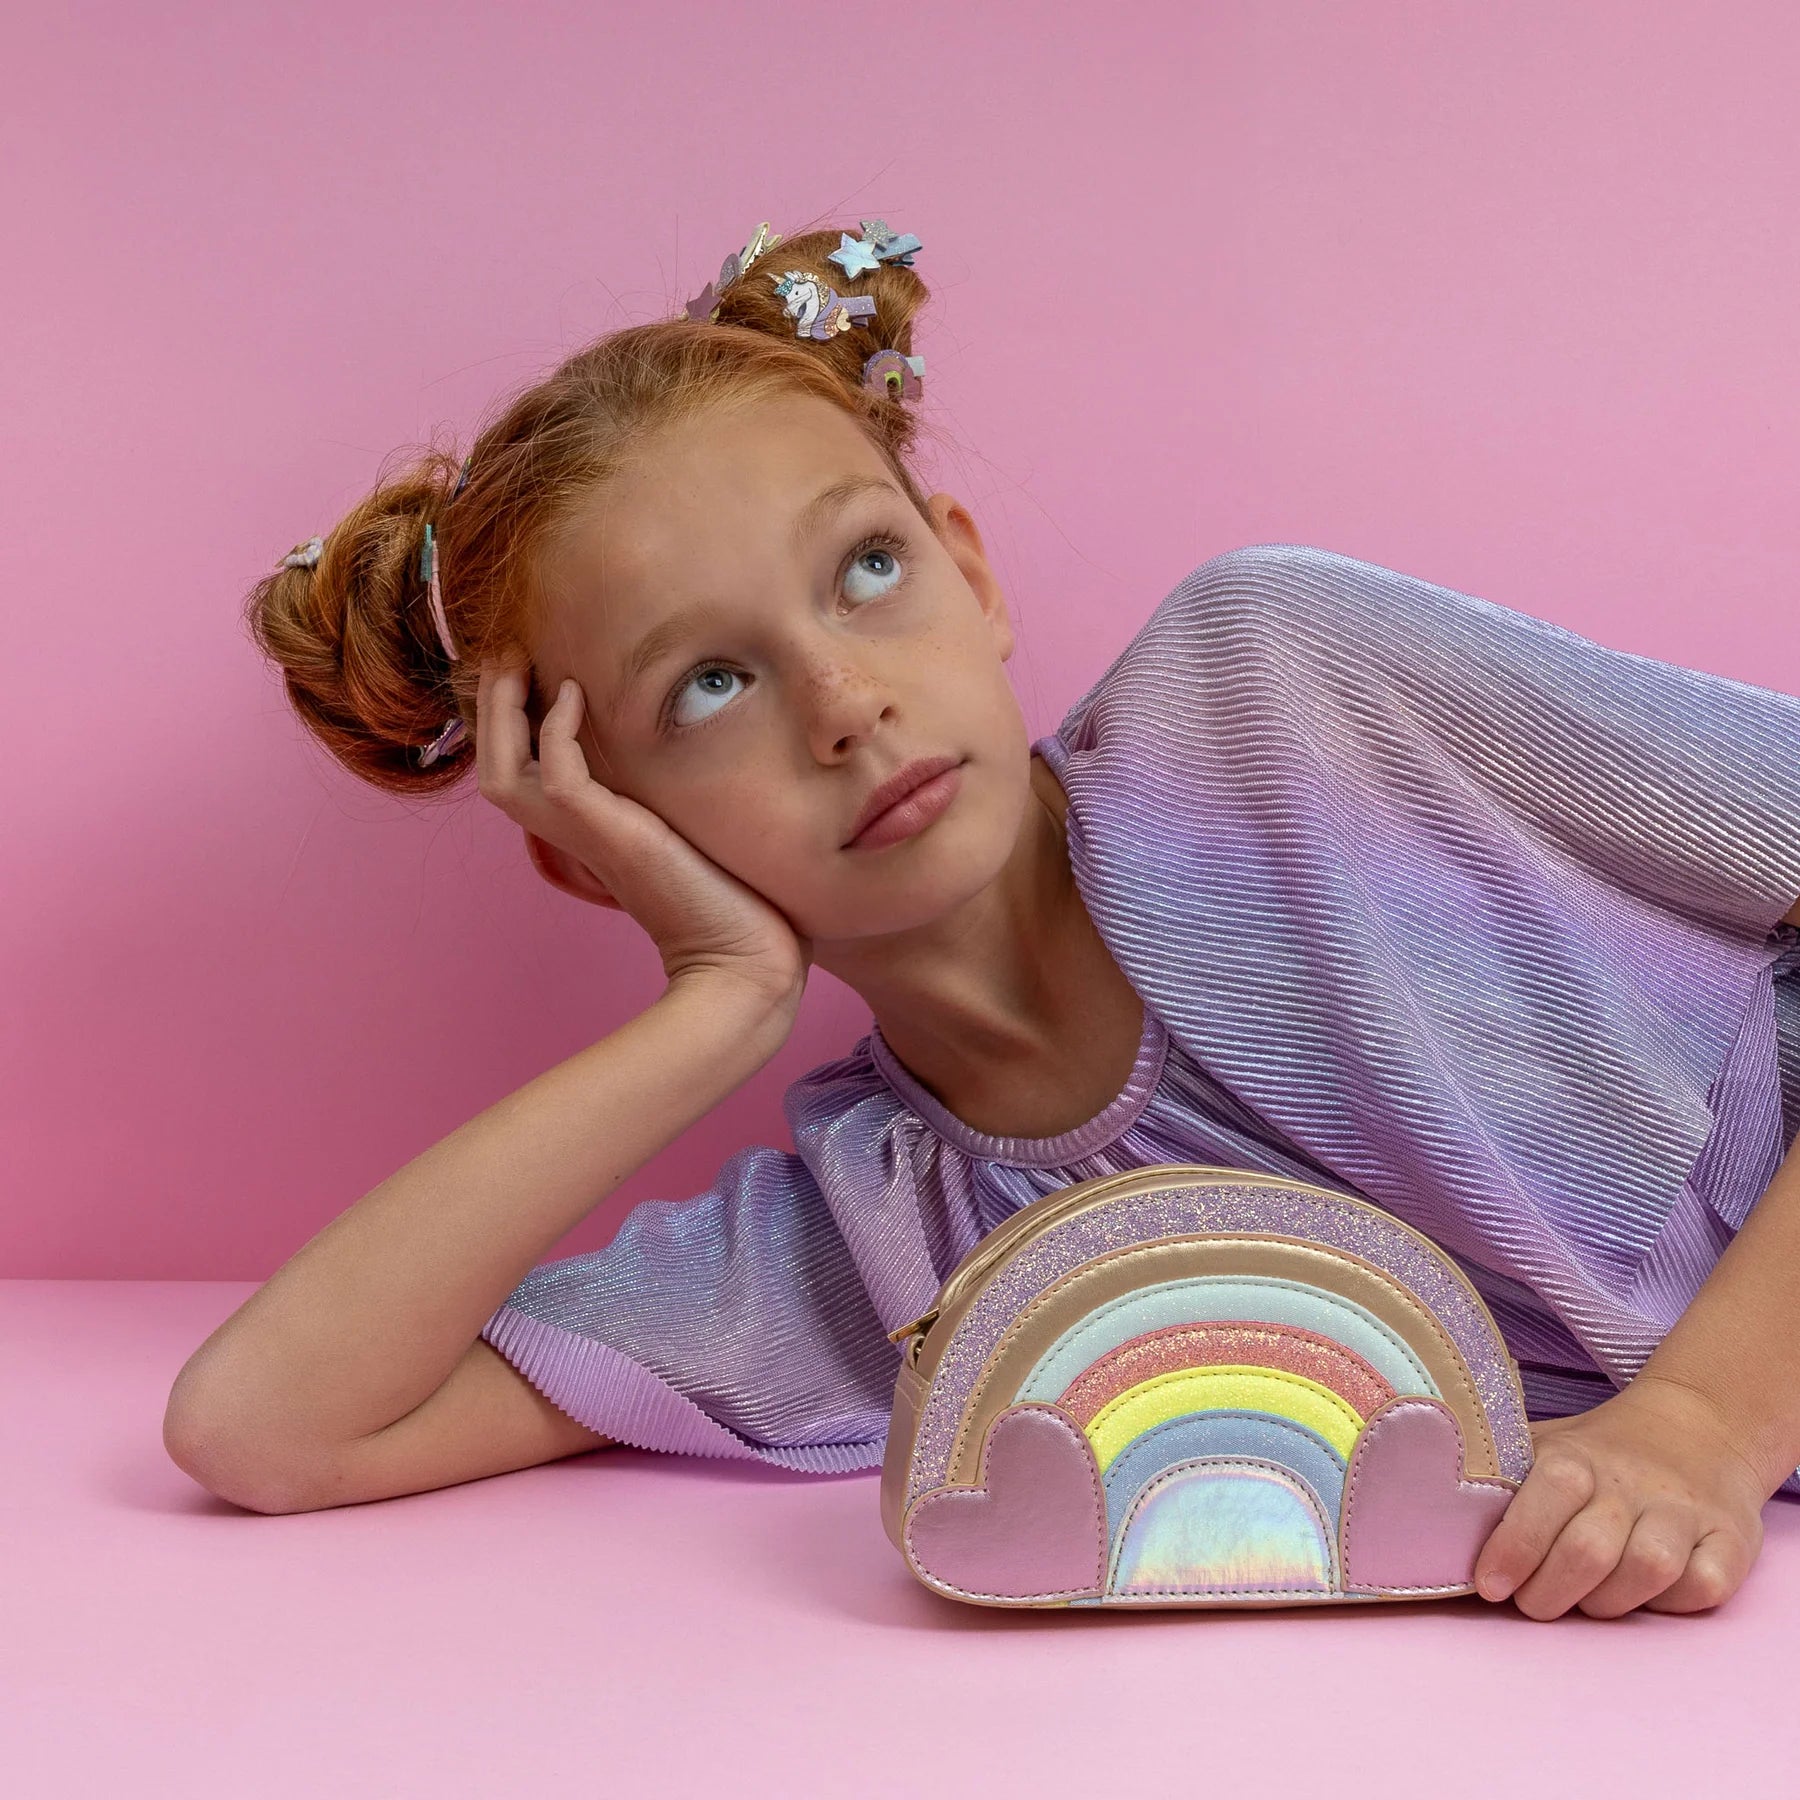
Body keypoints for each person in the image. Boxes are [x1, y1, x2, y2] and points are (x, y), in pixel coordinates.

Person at [166, 217, 1800, 1624]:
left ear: (971, 570)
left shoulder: (1278, 693)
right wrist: (716, 998)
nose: (843, 702)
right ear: (606, 838)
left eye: (865, 569)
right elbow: (267, 1430)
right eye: (710, 685)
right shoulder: (882, 1245)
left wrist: (1709, 1425)